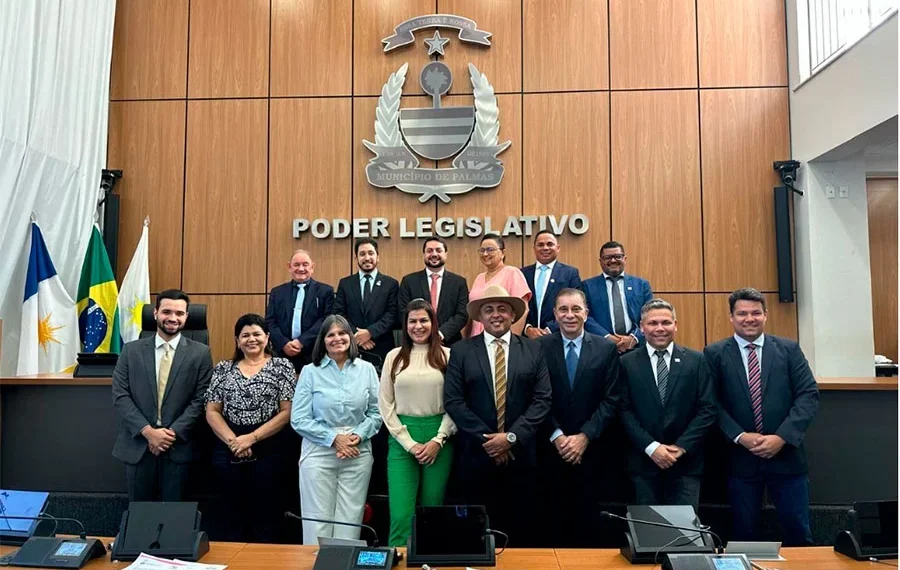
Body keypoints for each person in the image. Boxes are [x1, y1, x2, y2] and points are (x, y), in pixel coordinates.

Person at [704, 288, 818, 546]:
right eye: (742, 313)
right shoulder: (715, 353)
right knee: (744, 535)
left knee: (798, 531)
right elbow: (710, 403)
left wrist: (781, 437)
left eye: (756, 312)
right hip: (740, 460)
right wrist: (740, 436)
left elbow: (808, 395)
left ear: (766, 315)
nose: (749, 318)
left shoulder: (788, 350)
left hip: (786, 456)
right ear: (731, 317)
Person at [443, 285, 551, 546]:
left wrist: (511, 437)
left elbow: (542, 399)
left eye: (502, 308)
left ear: (513, 315)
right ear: (479, 317)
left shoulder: (533, 349)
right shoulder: (462, 351)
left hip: (521, 455)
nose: (496, 314)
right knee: (476, 534)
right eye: (488, 309)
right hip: (476, 455)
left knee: (520, 530)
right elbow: (454, 401)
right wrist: (491, 440)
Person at [537, 288, 621, 547]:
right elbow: (535, 396)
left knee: (588, 525)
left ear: (586, 312)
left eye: (576, 309)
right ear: (554, 314)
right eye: (563, 309)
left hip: (593, 449)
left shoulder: (606, 348)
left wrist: (584, 436)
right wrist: (557, 435)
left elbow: (611, 398)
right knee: (550, 523)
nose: (570, 315)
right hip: (550, 448)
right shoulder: (538, 347)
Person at [112, 289, 212, 501]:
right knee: (139, 517)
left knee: (174, 518)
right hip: (139, 446)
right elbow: (121, 395)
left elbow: (201, 398)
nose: (173, 318)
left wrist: (169, 434)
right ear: (155, 313)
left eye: (179, 313)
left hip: (179, 448)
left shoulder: (200, 353)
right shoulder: (131, 351)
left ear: (186, 316)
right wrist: (148, 432)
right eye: (167, 311)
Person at [204, 313, 297, 542]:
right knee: (230, 512)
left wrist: (251, 438)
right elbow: (212, 410)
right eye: (245, 335)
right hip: (228, 446)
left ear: (267, 337)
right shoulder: (224, 368)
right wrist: (234, 441)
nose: (251, 339)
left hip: (270, 446)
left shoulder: (282, 366)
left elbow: (288, 411)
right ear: (237, 340)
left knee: (267, 513)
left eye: (256, 334)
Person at [290, 315, 382, 544]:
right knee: (317, 520)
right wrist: (334, 439)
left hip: (357, 451)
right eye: (331, 334)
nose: (337, 338)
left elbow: (377, 413)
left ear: (351, 338)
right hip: (319, 451)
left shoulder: (367, 369)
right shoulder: (310, 371)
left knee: (350, 518)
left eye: (342, 333)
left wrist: (356, 436)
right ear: (323, 340)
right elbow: (299, 418)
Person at [620, 299, 716, 510]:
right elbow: (623, 410)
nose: (660, 328)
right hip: (643, 464)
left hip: (685, 465)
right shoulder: (626, 363)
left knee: (685, 536)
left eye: (666, 322)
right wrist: (652, 448)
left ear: (676, 325)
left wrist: (680, 447)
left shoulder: (696, 360)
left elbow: (707, 409)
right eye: (653, 323)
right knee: (649, 535)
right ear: (642, 327)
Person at [379, 299, 456, 547]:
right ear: (405, 325)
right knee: (401, 514)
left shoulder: (449, 356)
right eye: (412, 321)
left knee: (432, 510)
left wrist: (438, 439)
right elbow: (385, 405)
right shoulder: (394, 357)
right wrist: (409, 443)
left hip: (439, 438)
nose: (418, 326)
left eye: (424, 320)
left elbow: (456, 403)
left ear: (433, 324)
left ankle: (429, 562)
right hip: (402, 438)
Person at [334, 238, 400, 368]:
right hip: (352, 348)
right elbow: (338, 313)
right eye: (362, 254)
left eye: (371, 253)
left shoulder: (390, 284)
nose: (367, 257)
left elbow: (392, 314)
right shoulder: (345, 283)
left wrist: (370, 332)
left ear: (378, 256)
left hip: (381, 348)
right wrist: (357, 336)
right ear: (356, 257)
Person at [266, 249, 335, 372]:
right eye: (296, 265)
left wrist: (302, 342)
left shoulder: (325, 291)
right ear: (289, 267)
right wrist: (284, 344)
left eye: (305, 264)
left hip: (314, 353)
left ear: (312, 267)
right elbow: (270, 321)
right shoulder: (277, 292)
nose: (301, 268)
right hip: (282, 354)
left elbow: (326, 320)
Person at [583, 241, 652, 353]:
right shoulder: (587, 286)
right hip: (601, 348)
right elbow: (585, 316)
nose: (613, 260)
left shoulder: (641, 285)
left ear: (625, 259)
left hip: (636, 348)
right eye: (607, 257)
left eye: (617, 256)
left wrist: (633, 338)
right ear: (600, 261)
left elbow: (650, 316)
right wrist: (607, 337)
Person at [398, 237, 469, 345]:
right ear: (424, 255)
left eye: (439, 250)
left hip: (449, 343)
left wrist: (440, 334)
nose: (434, 254)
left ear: (446, 254)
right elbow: (403, 312)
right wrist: (424, 335)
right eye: (429, 251)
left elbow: (462, 314)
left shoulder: (459, 282)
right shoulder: (409, 281)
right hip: (416, 343)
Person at [468, 234, 531, 337]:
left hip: (502, 338)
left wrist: (512, 340)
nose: (485, 254)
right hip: (477, 340)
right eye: (482, 250)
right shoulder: (479, 278)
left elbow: (523, 310)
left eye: (490, 250)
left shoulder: (512, 273)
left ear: (502, 253)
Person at [521, 231, 582, 339]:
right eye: (540, 245)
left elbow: (577, 306)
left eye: (550, 244)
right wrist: (527, 328)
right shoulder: (522, 273)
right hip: (527, 340)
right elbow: (518, 306)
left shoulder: (570, 273)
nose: (545, 248)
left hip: (558, 337)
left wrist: (549, 329)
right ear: (534, 248)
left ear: (558, 248)